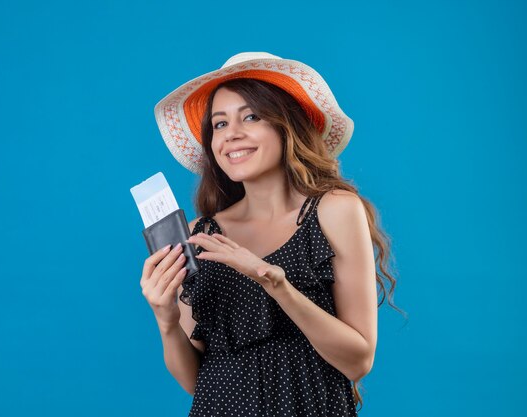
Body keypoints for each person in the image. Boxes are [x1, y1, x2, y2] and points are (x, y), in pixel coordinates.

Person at [140, 52, 403, 416]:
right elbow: (195, 382)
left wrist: (275, 283)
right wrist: (165, 319)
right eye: (219, 124)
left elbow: (358, 360)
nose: (231, 133)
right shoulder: (199, 234)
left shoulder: (334, 210)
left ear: (286, 125)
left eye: (251, 116)